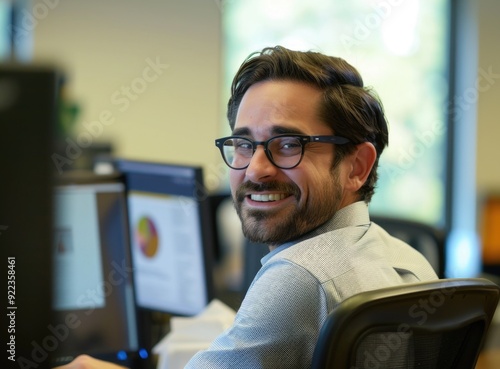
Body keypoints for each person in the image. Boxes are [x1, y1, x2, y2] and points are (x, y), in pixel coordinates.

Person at [54, 45, 438, 369]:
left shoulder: (300, 277)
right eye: (243, 144)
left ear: (357, 167)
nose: (256, 168)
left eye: (288, 144)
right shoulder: (410, 262)